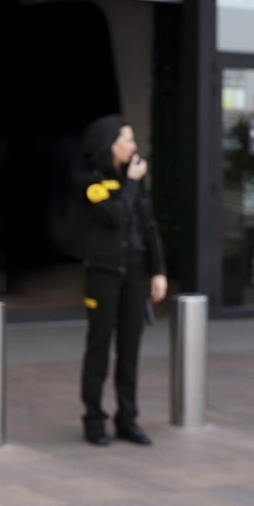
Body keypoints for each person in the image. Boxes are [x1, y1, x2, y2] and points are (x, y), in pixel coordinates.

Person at [78, 114, 166, 447]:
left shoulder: (134, 181)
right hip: (103, 276)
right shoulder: (91, 182)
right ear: (109, 145)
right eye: (127, 140)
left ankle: (127, 419)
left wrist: (157, 270)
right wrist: (131, 182)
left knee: (130, 351)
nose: (133, 146)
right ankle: (93, 420)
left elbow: (148, 226)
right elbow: (115, 216)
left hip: (133, 275)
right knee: (99, 348)